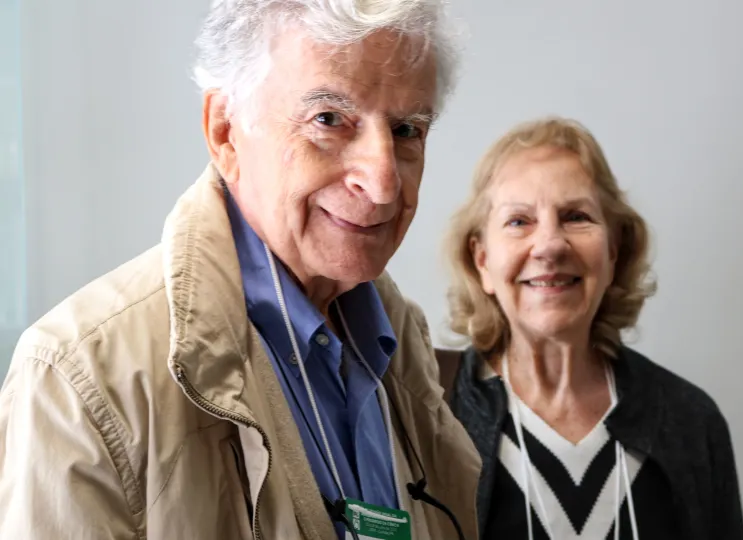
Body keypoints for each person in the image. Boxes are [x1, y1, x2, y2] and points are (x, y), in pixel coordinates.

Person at [0, 1, 481, 538]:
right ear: (226, 131)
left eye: (407, 129)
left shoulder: (400, 338)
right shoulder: (78, 377)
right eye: (328, 120)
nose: (384, 181)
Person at [437, 117, 743, 540]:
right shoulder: (432, 416)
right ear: (482, 261)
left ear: (614, 250)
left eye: (576, 216)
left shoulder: (690, 421)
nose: (549, 245)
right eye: (519, 221)